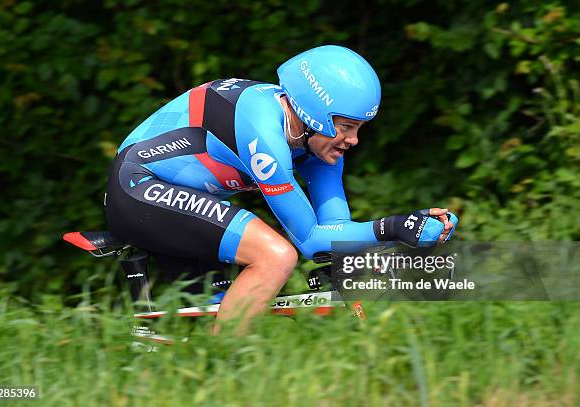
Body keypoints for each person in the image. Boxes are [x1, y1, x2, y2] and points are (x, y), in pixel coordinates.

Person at [105, 45, 455, 333]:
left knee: (223, 318)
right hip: (137, 188)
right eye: (347, 126)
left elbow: (334, 238)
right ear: (316, 113)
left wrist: (412, 228)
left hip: (187, 202)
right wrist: (394, 227)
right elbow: (311, 242)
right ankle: (229, 377)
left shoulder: (319, 143)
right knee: (276, 256)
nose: (354, 140)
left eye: (360, 128)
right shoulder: (262, 129)